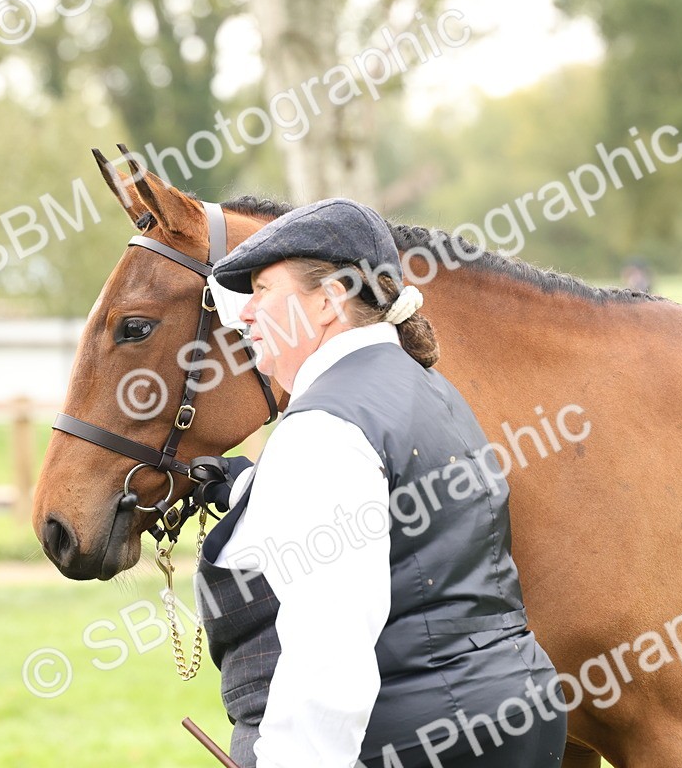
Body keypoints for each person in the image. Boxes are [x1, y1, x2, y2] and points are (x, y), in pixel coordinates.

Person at [195, 198, 567, 768]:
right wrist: (252, 490)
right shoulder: (430, 389)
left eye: (264, 290)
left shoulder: (324, 428)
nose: (245, 315)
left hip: (417, 739)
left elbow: (330, 646)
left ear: (327, 301)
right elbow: (406, 532)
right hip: (515, 716)